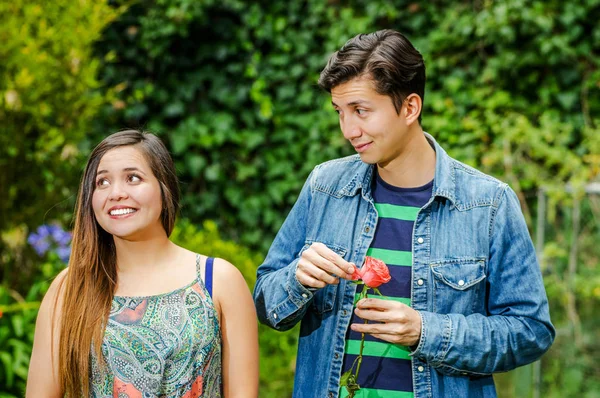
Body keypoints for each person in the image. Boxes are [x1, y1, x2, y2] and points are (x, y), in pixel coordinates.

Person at [253, 30, 555, 398]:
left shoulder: (488, 203)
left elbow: (530, 331)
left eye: (361, 111)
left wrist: (425, 332)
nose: (348, 130)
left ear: (410, 107)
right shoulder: (324, 186)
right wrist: (296, 279)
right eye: (340, 112)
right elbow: (266, 303)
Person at [27, 130, 259, 397]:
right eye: (102, 182)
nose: (116, 193)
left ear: (165, 188)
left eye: (132, 178)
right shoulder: (69, 288)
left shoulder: (218, 280)